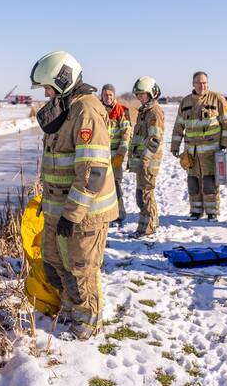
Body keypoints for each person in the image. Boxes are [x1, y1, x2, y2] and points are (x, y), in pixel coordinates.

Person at [31, 51, 118, 339]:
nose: (45, 93)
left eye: (48, 87)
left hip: (84, 212)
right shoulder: (65, 107)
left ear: (63, 79)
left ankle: (87, 324)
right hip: (58, 207)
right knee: (56, 262)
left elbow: (93, 171)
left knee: (81, 268)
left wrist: (73, 213)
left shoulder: (87, 110)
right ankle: (70, 310)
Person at [169, 71, 227, 220]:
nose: (202, 85)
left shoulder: (217, 99)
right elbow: (178, 126)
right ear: (193, 84)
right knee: (193, 182)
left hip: (211, 152)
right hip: (191, 152)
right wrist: (175, 145)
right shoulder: (185, 102)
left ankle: (212, 212)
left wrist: (224, 144)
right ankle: (196, 211)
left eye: (204, 83)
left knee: (209, 182)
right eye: (198, 82)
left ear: (208, 83)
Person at [127, 76, 165, 238]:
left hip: (148, 162)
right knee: (143, 193)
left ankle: (147, 228)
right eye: (138, 95)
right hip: (142, 161)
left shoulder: (154, 112)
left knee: (145, 194)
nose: (139, 98)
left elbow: (155, 139)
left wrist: (145, 159)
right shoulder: (145, 112)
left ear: (151, 94)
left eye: (142, 94)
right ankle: (150, 223)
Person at [100, 84, 131, 227]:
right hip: (100, 157)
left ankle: (119, 213)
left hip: (116, 157)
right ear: (102, 96)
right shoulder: (97, 110)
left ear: (114, 96)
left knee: (116, 185)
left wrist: (121, 153)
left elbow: (126, 133)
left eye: (110, 95)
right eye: (105, 95)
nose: (108, 97)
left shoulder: (122, 111)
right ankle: (105, 214)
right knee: (101, 187)